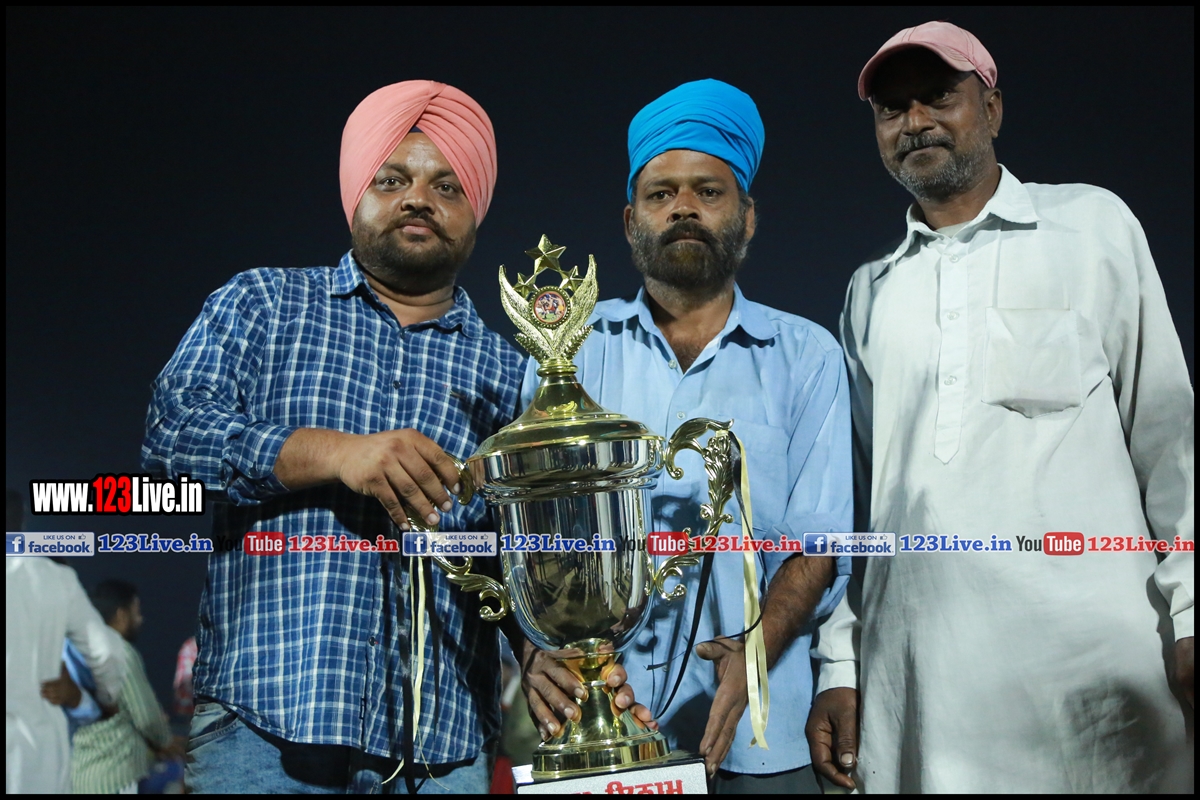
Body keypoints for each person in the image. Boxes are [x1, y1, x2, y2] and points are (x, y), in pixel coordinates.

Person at [141, 79, 644, 793]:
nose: (418, 199)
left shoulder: (511, 375)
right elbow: (169, 442)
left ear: (475, 212)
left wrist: (538, 650)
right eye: (393, 179)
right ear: (357, 194)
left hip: (441, 744)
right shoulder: (262, 304)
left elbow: (511, 553)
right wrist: (336, 454)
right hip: (262, 729)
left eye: (447, 186)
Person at [805, 21, 1195, 793]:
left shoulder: (1091, 226)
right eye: (891, 109)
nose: (914, 121)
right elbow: (866, 501)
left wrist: (1192, 613)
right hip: (922, 695)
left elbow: (1169, 440)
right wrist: (841, 660)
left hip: (1097, 690)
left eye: (937, 96)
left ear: (992, 108)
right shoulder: (870, 291)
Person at [518, 79, 852, 792]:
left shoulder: (807, 356)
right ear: (631, 220)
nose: (683, 208)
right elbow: (522, 530)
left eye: (708, 191)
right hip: (599, 730)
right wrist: (531, 647)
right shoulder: (571, 352)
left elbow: (820, 543)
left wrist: (757, 648)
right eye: (661, 193)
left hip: (760, 733)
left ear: (748, 217)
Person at [6, 487, 127, 794]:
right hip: (39, 756)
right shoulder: (55, 578)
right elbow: (105, 651)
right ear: (21, 524)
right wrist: (109, 699)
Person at [71, 580, 175, 793]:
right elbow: (147, 718)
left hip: (80, 776)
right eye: (136, 612)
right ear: (121, 615)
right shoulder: (120, 651)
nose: (140, 619)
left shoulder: (79, 650)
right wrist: (166, 742)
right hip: (115, 776)